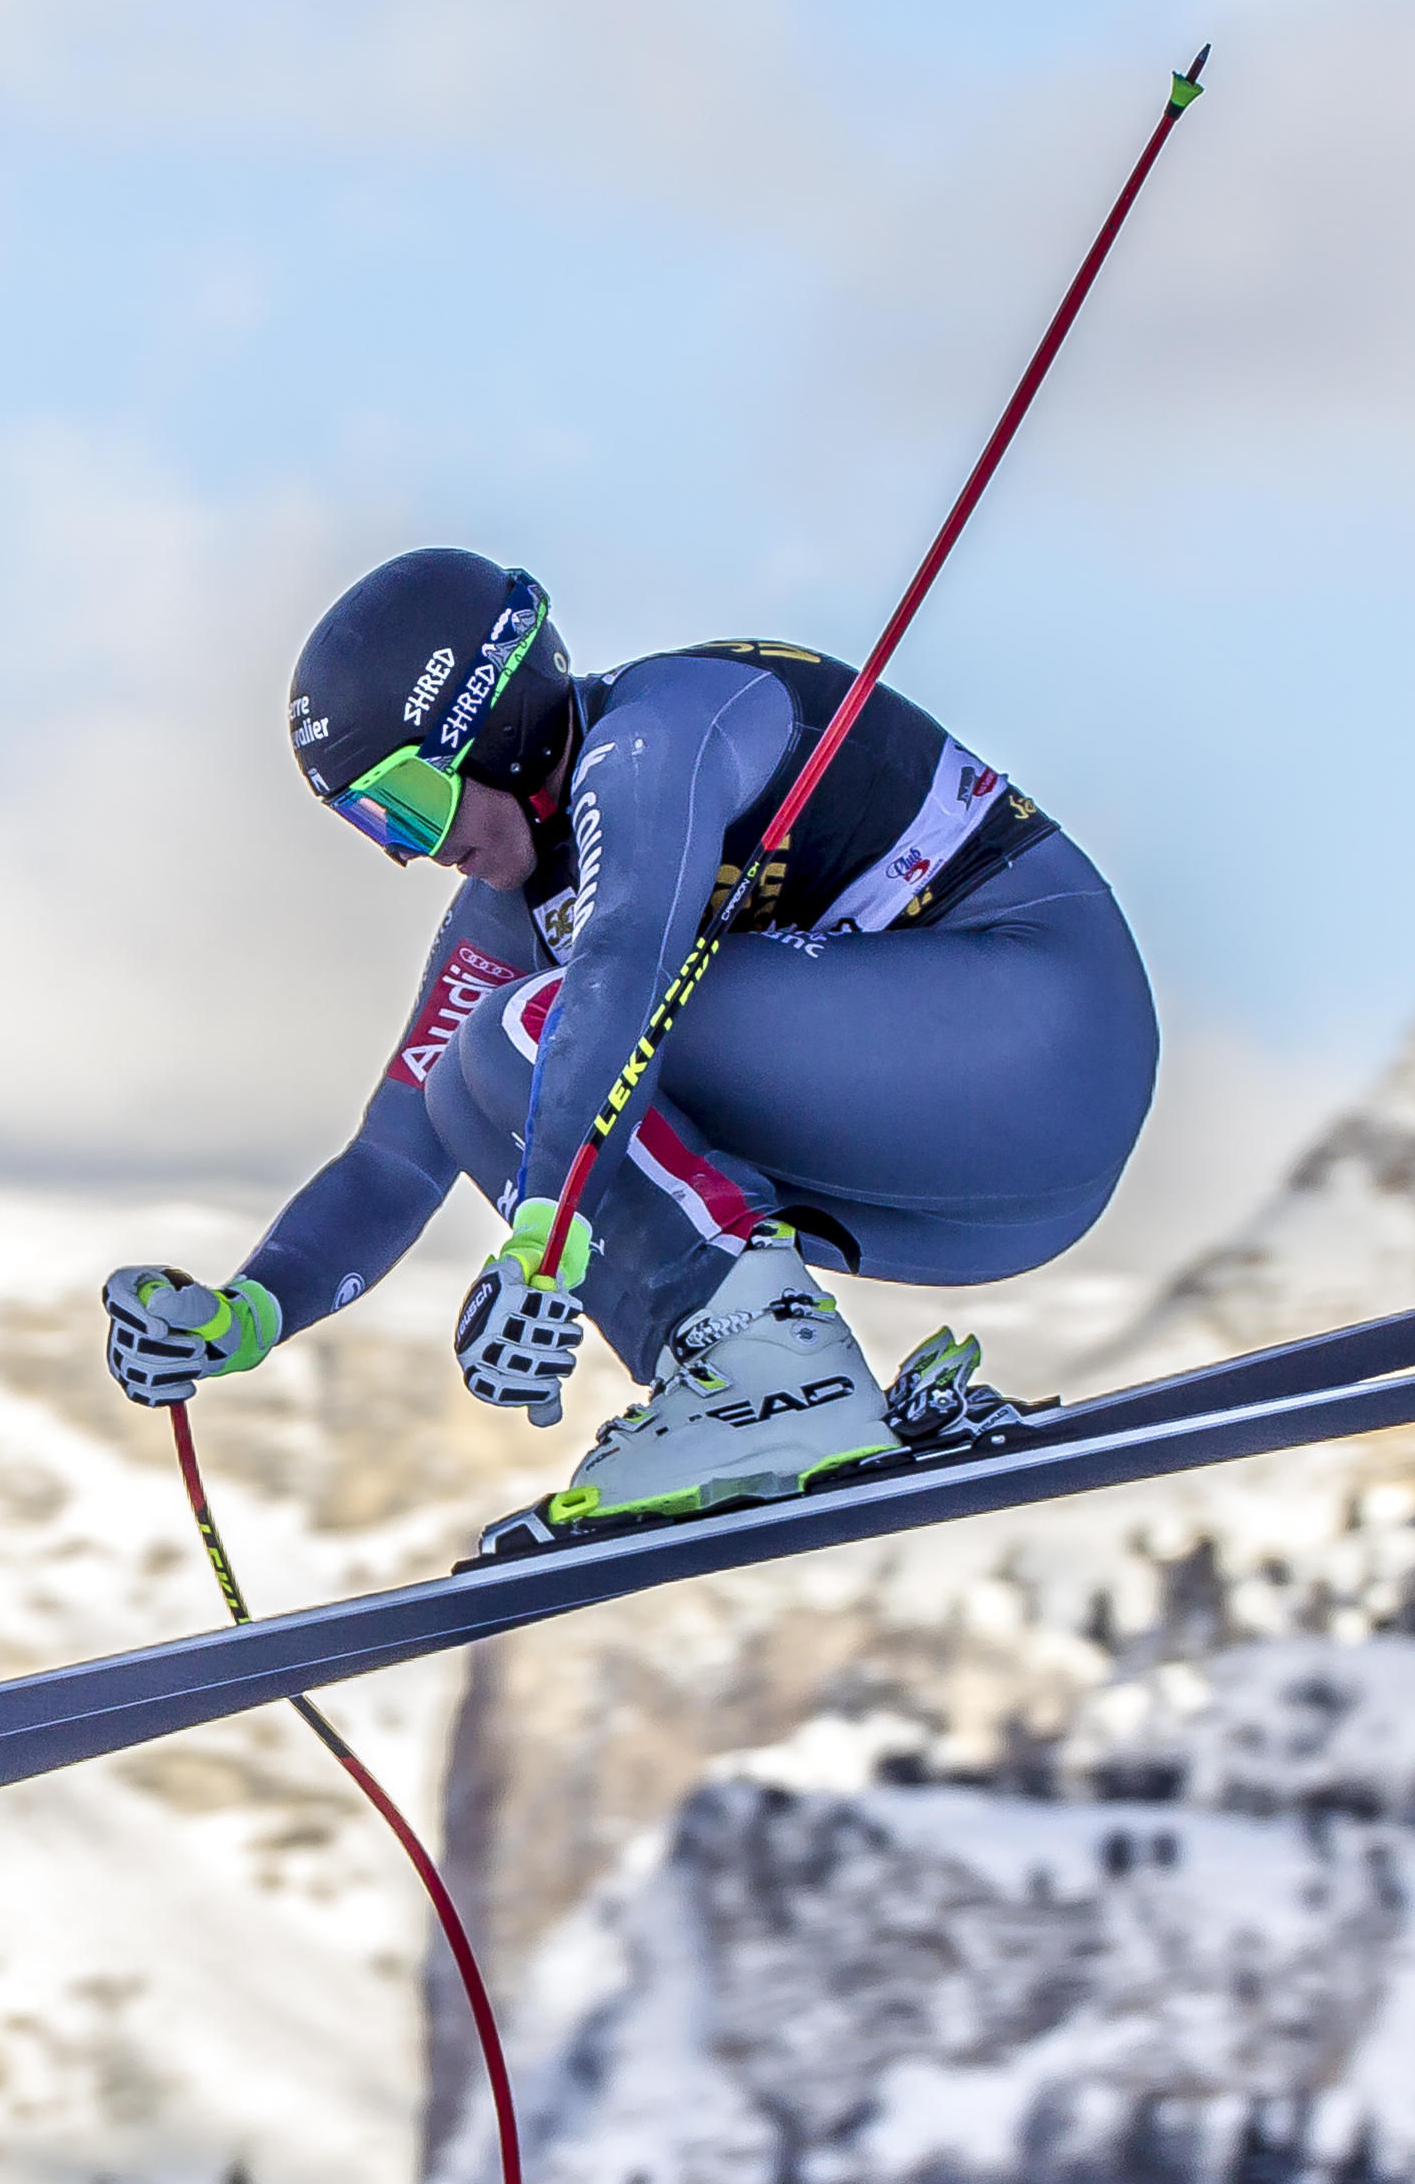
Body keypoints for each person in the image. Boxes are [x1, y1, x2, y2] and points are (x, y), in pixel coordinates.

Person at [102, 547, 1161, 1523]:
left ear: (495, 723)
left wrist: (541, 1243)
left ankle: (781, 1372)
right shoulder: (516, 897)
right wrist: (243, 1314)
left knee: (531, 1033)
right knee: (468, 1082)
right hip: (983, 1197)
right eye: (377, 829)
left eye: (409, 803)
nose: (414, 853)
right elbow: (393, 1155)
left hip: (1043, 1026)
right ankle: (740, 1382)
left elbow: (623, 958)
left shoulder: (658, 734)